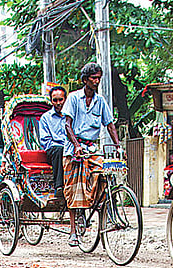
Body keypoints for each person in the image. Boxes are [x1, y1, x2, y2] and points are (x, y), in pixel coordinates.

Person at [63, 62, 120, 247]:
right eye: (93, 78)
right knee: (74, 187)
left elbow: (110, 125)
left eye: (98, 78)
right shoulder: (73, 98)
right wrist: (77, 145)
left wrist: (119, 146)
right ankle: (73, 230)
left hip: (92, 148)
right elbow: (67, 125)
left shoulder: (101, 101)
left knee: (105, 175)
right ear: (85, 80)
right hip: (74, 148)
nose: (96, 81)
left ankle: (103, 215)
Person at [39, 85, 69, 201]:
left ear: (65, 99)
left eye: (60, 100)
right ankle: (59, 186)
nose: (58, 103)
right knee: (59, 149)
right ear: (51, 101)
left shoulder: (70, 115)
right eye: (55, 100)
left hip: (70, 148)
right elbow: (45, 140)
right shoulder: (46, 118)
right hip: (54, 150)